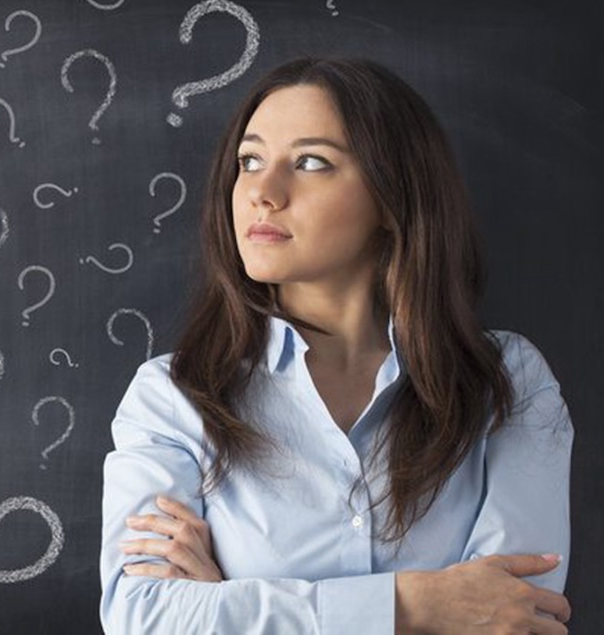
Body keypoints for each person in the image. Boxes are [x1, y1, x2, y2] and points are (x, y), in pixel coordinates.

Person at [99, 56, 574, 633]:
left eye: (310, 162)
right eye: (249, 161)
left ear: (391, 198)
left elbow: (516, 616)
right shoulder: (173, 397)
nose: (263, 193)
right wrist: (417, 606)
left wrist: (231, 602)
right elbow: (142, 617)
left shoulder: (508, 382)